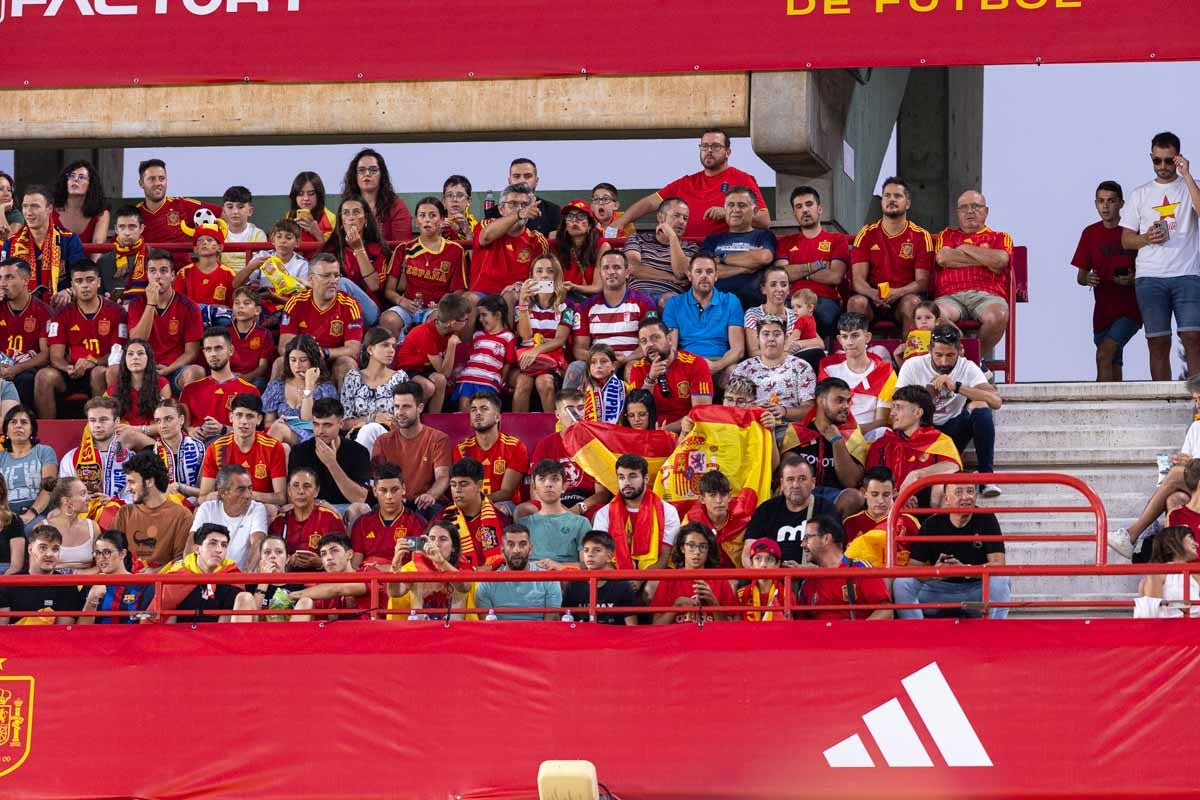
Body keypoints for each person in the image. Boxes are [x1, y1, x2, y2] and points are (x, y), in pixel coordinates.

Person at [1119, 132, 1200, 379]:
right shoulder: (1140, 194)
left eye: (1168, 161)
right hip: (1150, 277)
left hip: (1187, 274)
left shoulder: (1190, 186)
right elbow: (1125, 240)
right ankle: (1164, 401)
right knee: (1157, 342)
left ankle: (1198, 402)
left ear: (1178, 158)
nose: (1162, 167)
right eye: (1157, 161)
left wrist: (1186, 175)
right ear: (1151, 158)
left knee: (1193, 338)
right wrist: (1146, 238)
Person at [896, 324, 1003, 496]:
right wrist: (926, 395)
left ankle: (986, 478)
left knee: (980, 406)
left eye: (950, 355)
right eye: (938, 355)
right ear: (929, 350)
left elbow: (996, 401)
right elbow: (897, 406)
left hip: (952, 431)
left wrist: (957, 387)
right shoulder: (913, 365)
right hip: (921, 431)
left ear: (960, 351)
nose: (944, 361)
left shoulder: (966, 367)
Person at [620, 129, 769, 239]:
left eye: (716, 146)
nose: (709, 151)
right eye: (704, 146)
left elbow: (764, 220)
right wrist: (619, 223)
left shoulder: (743, 179)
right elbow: (650, 203)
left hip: (723, 254)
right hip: (684, 253)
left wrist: (728, 213)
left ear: (728, 152)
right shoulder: (686, 182)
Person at [892, 481, 1011, 619]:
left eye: (970, 491)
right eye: (958, 492)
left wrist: (966, 570)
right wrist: (935, 572)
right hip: (938, 596)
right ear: (947, 498)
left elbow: (999, 565)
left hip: (974, 602)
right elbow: (912, 569)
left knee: (1001, 579)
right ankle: (917, 635)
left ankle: (995, 636)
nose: (966, 497)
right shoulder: (932, 523)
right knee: (902, 583)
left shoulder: (986, 518)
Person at [34, 261, 127, 417]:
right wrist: (67, 368)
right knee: (44, 376)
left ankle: (100, 428)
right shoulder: (62, 313)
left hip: (100, 369)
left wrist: (94, 362)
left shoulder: (117, 312)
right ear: (72, 285)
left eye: (90, 280)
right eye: (79, 281)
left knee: (99, 373)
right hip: (71, 372)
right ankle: (47, 434)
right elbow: (55, 356)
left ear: (98, 282)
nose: (85, 285)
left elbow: (118, 353)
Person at [1071, 180, 1141, 382]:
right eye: (1101, 201)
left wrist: (1133, 279)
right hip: (1102, 311)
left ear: (1121, 204)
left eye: (1111, 201)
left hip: (1129, 309)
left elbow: (1149, 269)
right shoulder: (1090, 233)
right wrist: (1088, 278)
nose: (1105, 206)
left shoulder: (1132, 232)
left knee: (1104, 354)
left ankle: (1101, 408)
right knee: (1113, 362)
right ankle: (1119, 409)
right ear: (1095, 203)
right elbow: (1080, 277)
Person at [848, 177, 933, 339]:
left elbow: (922, 282)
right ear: (882, 202)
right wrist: (874, 294)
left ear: (907, 203)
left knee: (913, 304)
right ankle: (856, 360)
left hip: (903, 297)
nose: (891, 200)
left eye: (897, 196)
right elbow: (858, 280)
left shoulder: (921, 236)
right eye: (887, 196)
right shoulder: (866, 234)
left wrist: (897, 292)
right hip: (872, 298)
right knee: (856, 303)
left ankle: (911, 358)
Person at [933, 190, 1014, 360]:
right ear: (957, 213)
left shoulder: (1000, 237)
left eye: (976, 206)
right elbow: (943, 258)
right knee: (933, 314)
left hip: (987, 295)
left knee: (998, 316)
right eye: (964, 207)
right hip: (950, 296)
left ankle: (971, 361)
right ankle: (964, 354)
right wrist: (985, 259)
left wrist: (965, 248)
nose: (970, 211)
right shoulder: (947, 235)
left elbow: (1000, 261)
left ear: (986, 211)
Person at [567, 250, 658, 387]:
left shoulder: (644, 302)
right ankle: (567, 408)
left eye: (616, 267)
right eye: (606, 268)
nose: (611, 272)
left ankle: (637, 407)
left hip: (631, 358)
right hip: (598, 360)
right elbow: (579, 350)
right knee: (576, 368)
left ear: (627, 272)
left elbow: (650, 343)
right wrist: (603, 361)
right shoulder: (586, 307)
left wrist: (628, 358)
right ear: (600, 273)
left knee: (632, 367)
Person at [778, 377, 866, 516]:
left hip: (835, 497)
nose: (846, 406)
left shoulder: (852, 435)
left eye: (847, 401)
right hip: (801, 491)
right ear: (820, 400)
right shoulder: (798, 431)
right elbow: (786, 472)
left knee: (854, 497)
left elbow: (851, 481)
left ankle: (825, 528)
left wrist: (837, 441)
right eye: (839, 400)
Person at [380, 196, 467, 336]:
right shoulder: (404, 249)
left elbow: (459, 291)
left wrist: (442, 306)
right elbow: (389, 290)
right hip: (408, 307)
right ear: (416, 221)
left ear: (442, 219)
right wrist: (402, 301)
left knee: (438, 320)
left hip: (436, 309)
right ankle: (398, 354)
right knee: (388, 319)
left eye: (433, 215)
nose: (427, 219)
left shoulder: (455, 250)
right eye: (422, 215)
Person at [278, 253, 364, 385]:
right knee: (279, 363)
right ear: (311, 278)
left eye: (336, 275)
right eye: (326, 276)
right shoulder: (295, 302)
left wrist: (324, 353)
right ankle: (274, 405)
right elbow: (284, 347)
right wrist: (309, 356)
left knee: (347, 363)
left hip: (333, 360)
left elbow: (353, 350)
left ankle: (346, 406)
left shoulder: (349, 304)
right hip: (303, 360)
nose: (333, 280)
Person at [126, 249, 205, 394]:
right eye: (152, 271)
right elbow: (137, 341)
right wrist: (151, 304)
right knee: (113, 372)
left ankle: (185, 416)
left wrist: (168, 369)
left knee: (196, 371)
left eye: (163, 271)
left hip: (175, 368)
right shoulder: (136, 304)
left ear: (173, 276)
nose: (158, 276)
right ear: (147, 275)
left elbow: (191, 352)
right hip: (143, 368)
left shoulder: (190, 307)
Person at [774, 185, 849, 337]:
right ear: (794, 213)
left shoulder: (837, 239)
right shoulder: (785, 242)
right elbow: (783, 275)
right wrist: (815, 267)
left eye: (809, 204)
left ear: (819, 209)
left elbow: (835, 277)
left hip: (824, 300)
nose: (805, 210)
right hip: (791, 299)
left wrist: (799, 273)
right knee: (775, 320)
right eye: (799, 207)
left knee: (821, 316)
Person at [368, 381, 452, 514]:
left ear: (420, 408)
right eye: (396, 406)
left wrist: (430, 495)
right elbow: (379, 480)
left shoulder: (438, 439)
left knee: (431, 509)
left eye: (406, 406)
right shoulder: (383, 441)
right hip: (395, 502)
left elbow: (443, 477)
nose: (400, 412)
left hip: (425, 504)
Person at [866, 385, 962, 498]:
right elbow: (872, 481)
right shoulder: (883, 442)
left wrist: (917, 474)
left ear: (918, 413)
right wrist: (899, 497)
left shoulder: (939, 440)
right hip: (889, 503)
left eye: (898, 407)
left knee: (941, 486)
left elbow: (953, 466)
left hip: (927, 502)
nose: (892, 413)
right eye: (893, 407)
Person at [661, 252, 746, 380]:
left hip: (720, 363)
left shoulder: (730, 301)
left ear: (716, 276)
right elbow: (671, 347)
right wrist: (696, 366)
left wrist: (717, 365)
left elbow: (738, 349)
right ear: (689, 275)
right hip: (687, 364)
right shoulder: (674, 303)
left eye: (709, 272)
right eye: (698, 272)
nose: (704, 276)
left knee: (733, 372)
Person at [527, 389, 611, 517]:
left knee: (601, 512)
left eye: (581, 408)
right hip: (552, 499)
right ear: (557, 415)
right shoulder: (546, 444)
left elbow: (603, 493)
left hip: (585, 502)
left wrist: (579, 508)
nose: (576, 414)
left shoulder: (595, 444)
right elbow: (535, 487)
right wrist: (553, 508)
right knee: (523, 510)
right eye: (569, 409)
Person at [743, 454, 837, 566]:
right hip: (772, 579)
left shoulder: (826, 509)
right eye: (790, 479)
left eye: (802, 479)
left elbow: (835, 556)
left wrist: (805, 571)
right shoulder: (765, 510)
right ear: (782, 484)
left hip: (813, 580)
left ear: (813, 483)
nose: (796, 485)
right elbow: (748, 552)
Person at [729, 316, 815, 438]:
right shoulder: (743, 368)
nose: (771, 339)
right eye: (765, 334)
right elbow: (731, 406)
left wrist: (784, 411)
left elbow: (809, 409)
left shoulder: (801, 367)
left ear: (785, 338)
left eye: (776, 334)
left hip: (787, 429)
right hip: (750, 427)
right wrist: (753, 409)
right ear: (758, 339)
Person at [287, 397, 371, 520]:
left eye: (327, 425)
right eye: (316, 424)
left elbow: (359, 498)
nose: (320, 431)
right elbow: (292, 496)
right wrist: (321, 505)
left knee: (359, 508)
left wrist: (331, 463)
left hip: (345, 508)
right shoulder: (299, 451)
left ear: (341, 424)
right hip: (312, 506)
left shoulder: (359, 451)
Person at [197, 394, 287, 508]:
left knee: (271, 510)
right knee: (198, 511)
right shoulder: (217, 448)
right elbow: (203, 497)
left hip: (258, 507)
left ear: (259, 419)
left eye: (250, 416)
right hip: (226, 506)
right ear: (231, 417)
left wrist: (244, 494)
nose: (244, 421)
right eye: (239, 415)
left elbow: (281, 497)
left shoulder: (273, 447)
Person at [797, 515, 893, 620]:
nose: (802, 544)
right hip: (820, 636)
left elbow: (886, 611)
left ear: (826, 538)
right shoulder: (808, 582)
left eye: (807, 538)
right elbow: (800, 623)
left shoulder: (860, 568)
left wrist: (854, 632)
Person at [593, 454, 680, 570]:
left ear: (646, 479)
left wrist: (639, 579)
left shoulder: (668, 511)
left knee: (651, 587)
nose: (626, 482)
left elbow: (664, 557)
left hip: (654, 574)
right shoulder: (603, 514)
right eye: (621, 477)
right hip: (616, 576)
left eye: (632, 476)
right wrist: (624, 582)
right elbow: (602, 556)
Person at [512, 254, 575, 413]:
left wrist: (536, 350)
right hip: (526, 359)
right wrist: (522, 301)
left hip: (552, 359)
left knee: (545, 382)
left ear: (557, 276)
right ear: (532, 276)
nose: (544, 275)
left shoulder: (566, 305)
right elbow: (525, 336)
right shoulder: (520, 303)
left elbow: (560, 340)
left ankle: (554, 429)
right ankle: (516, 433)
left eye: (550, 271)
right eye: (539, 271)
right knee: (523, 383)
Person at [627, 317, 713, 431]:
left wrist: (665, 430)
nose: (649, 344)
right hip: (650, 434)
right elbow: (637, 414)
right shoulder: (638, 369)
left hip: (687, 432)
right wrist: (650, 380)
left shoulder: (695, 363)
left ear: (669, 339)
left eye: (655, 338)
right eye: (644, 341)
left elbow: (701, 414)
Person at [818, 312, 897, 436]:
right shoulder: (828, 368)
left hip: (869, 433)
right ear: (839, 339)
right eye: (845, 336)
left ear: (867, 337)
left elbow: (881, 421)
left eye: (855, 336)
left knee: (884, 432)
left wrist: (851, 434)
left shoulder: (884, 371)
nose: (849, 342)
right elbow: (824, 413)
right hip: (834, 433)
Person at [114, 450, 196, 569]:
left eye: (132, 482)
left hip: (163, 584)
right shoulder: (124, 513)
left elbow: (182, 561)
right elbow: (111, 552)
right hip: (126, 583)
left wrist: (156, 573)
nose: (127, 489)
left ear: (150, 482)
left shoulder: (181, 515)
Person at [178, 326, 261, 443]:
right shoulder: (190, 390)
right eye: (208, 349)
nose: (213, 354)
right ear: (204, 353)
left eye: (218, 348)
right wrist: (190, 430)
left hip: (230, 447)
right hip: (194, 448)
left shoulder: (250, 391)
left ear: (231, 350)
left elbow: (252, 432)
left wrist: (223, 429)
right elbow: (181, 424)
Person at [134, 158, 222, 269]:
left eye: (162, 179)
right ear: (141, 183)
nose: (158, 183)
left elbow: (223, 213)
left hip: (183, 276)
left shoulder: (181, 205)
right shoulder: (134, 214)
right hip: (150, 277)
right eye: (151, 179)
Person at [699, 186, 777, 307]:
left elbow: (764, 257)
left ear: (755, 211)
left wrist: (721, 259)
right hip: (715, 304)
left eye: (742, 205)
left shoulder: (764, 235)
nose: (735, 210)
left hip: (752, 304)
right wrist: (744, 267)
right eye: (730, 205)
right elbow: (705, 270)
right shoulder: (713, 239)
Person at [392, 291, 469, 412]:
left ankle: (433, 420)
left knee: (440, 381)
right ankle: (414, 417)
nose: (467, 322)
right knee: (428, 387)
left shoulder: (448, 331)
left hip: (425, 368)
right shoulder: (426, 334)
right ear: (453, 322)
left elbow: (443, 376)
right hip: (408, 370)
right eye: (465, 319)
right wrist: (451, 346)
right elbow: (444, 372)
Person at [4, 185, 83, 303]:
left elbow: (82, 277)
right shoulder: (11, 243)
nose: (28, 212)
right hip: (21, 311)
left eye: (35, 206)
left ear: (49, 209)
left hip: (60, 309)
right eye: (25, 206)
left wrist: (69, 291)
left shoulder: (69, 239)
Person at [470, 182, 550, 298]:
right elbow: (485, 238)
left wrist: (522, 286)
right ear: (501, 209)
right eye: (513, 204)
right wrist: (519, 214)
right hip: (482, 295)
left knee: (510, 295)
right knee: (469, 299)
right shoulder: (486, 224)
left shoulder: (537, 239)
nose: (519, 208)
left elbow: (546, 284)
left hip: (517, 296)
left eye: (525, 205)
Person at [649, 522, 737, 624]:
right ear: (682, 548)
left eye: (703, 546)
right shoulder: (669, 579)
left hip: (711, 637)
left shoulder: (720, 579)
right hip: (677, 638)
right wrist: (676, 607)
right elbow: (656, 626)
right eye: (691, 545)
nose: (697, 551)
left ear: (709, 549)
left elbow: (730, 629)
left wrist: (713, 603)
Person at [454, 391, 530, 507]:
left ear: (497, 417)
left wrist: (478, 502)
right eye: (473, 410)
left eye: (484, 409)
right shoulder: (462, 449)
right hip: (469, 505)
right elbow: (460, 487)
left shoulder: (515, 446)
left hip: (502, 504)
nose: (477, 413)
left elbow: (506, 492)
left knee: (500, 508)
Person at [386, 519, 474, 619]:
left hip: (455, 632)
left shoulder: (464, 566)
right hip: (421, 631)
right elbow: (395, 593)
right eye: (431, 538)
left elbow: (464, 587)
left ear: (453, 547)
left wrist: (441, 562)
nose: (436, 544)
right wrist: (395, 563)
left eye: (443, 539)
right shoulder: (414, 566)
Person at [473, 524, 563, 620]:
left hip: (538, 634)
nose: (516, 550)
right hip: (500, 634)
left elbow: (550, 625)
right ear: (502, 550)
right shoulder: (487, 585)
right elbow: (487, 628)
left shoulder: (549, 581)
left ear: (531, 549)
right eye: (511, 544)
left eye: (523, 544)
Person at [262, 334, 339, 446]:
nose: (297, 365)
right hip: (282, 438)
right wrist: (278, 422)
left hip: (315, 440)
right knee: (283, 446)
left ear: (313, 360)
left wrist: (309, 386)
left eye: (303, 360)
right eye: (293, 360)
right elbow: (268, 423)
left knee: (279, 428)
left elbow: (312, 422)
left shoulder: (325, 389)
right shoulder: (277, 386)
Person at [349, 462, 428, 567]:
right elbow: (355, 565)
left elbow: (418, 565)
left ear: (403, 489)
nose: (389, 496)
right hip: (367, 578)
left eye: (394, 490)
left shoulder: (416, 523)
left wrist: (386, 569)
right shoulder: (362, 523)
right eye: (383, 490)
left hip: (400, 579)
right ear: (375, 491)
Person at [158, 523, 241, 624]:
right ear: (197, 549)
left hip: (217, 636)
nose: (219, 550)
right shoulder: (178, 574)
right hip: (180, 635)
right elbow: (159, 617)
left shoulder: (231, 573)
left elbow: (228, 616)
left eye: (224, 545)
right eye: (212, 543)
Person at [286, 533, 381, 620]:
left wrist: (292, 595)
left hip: (371, 635)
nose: (329, 558)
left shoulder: (368, 571)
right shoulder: (321, 588)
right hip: (333, 637)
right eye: (323, 554)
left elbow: (339, 589)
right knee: (305, 602)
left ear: (349, 554)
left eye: (334, 551)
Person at [191, 464, 268, 571]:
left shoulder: (257, 509)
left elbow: (257, 543)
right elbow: (191, 545)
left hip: (240, 578)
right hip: (207, 576)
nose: (248, 495)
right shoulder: (207, 508)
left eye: (250, 488)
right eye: (241, 489)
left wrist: (242, 579)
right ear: (222, 492)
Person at [322, 195, 389, 319]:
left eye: (356, 212)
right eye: (346, 213)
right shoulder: (331, 250)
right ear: (341, 221)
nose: (351, 217)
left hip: (369, 311)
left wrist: (359, 249)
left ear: (365, 220)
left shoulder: (377, 250)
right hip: (335, 308)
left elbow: (374, 286)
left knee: (342, 283)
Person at [58, 397, 134, 505]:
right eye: (92, 420)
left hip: (119, 516)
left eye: (103, 420)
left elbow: (135, 497)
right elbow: (64, 495)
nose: (97, 425)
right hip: (83, 518)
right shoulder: (71, 458)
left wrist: (113, 503)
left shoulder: (130, 458)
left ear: (116, 421)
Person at [0, 526, 83, 624]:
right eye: (43, 548)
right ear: (30, 549)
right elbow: (2, 630)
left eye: (55, 549)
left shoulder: (68, 586)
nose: (49, 554)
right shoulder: (9, 584)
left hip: (51, 639)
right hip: (15, 639)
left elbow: (63, 631)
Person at [841, 466, 921, 568]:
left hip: (896, 580)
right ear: (863, 493)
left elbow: (922, 558)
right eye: (874, 494)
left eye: (886, 495)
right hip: (861, 579)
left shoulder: (908, 521)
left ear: (894, 492)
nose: (880, 501)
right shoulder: (850, 523)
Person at [0, 257, 53, 409]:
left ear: (25, 280)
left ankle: (21, 424)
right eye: (0, 278)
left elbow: (45, 354)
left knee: (26, 379)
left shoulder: (43, 311)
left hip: (24, 369)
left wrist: (17, 368)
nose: (3, 283)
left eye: (9, 277)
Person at [625, 197, 696, 306]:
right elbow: (633, 267)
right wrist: (671, 277)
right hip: (635, 295)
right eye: (676, 216)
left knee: (669, 301)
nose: (682, 221)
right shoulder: (638, 239)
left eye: (685, 218)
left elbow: (681, 273)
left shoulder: (690, 247)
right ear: (660, 217)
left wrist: (672, 237)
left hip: (668, 298)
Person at [453, 294, 517, 411]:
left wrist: (501, 382)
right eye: (479, 315)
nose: (480, 319)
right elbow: (469, 358)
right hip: (468, 378)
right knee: (464, 410)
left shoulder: (508, 337)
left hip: (489, 381)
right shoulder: (477, 335)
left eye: (484, 315)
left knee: (485, 411)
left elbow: (508, 362)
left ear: (497, 315)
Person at [340, 327, 408, 437]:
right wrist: (372, 418)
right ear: (370, 349)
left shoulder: (400, 378)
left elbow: (406, 417)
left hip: (390, 437)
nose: (391, 350)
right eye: (385, 345)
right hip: (358, 436)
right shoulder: (353, 378)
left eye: (393, 346)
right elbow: (343, 423)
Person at [561, 531, 639, 625]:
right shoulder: (573, 585)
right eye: (586, 550)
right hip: (581, 637)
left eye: (597, 550)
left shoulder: (623, 587)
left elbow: (631, 626)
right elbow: (565, 620)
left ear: (609, 556)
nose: (590, 554)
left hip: (614, 638)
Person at [525, 459, 592, 569]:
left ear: (564, 486)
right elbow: (513, 564)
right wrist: (532, 566)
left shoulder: (581, 523)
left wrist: (560, 566)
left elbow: (587, 566)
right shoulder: (523, 524)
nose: (548, 484)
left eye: (554, 479)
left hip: (567, 581)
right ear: (534, 487)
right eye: (542, 479)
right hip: (531, 582)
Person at [269, 466, 347, 558]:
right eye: (295, 486)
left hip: (321, 571)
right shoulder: (279, 521)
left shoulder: (330, 518)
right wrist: (287, 562)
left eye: (306, 486)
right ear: (289, 491)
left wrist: (320, 563)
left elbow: (342, 557)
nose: (301, 491)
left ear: (316, 491)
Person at [684, 469, 756, 568]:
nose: (719, 500)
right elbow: (680, 559)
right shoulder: (691, 521)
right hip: (700, 577)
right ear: (702, 499)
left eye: (723, 495)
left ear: (729, 497)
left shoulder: (743, 521)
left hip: (736, 579)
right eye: (712, 495)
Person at [443, 457, 507, 570]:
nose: (457, 490)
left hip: (492, 582)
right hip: (454, 582)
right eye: (453, 485)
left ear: (479, 485)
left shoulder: (500, 519)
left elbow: (508, 561)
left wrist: (476, 571)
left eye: (463, 484)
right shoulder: (443, 519)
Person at [78, 530, 153, 624]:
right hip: (98, 637)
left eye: (107, 552)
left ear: (122, 554)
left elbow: (149, 620)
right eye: (97, 553)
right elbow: (81, 631)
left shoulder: (143, 585)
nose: (101, 558)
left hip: (132, 637)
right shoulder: (90, 585)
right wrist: (92, 599)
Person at [231, 534, 309, 622]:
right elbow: (253, 618)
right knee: (243, 597)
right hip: (255, 632)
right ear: (261, 558)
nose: (273, 556)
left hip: (286, 633)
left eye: (279, 552)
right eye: (267, 552)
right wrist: (264, 581)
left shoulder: (297, 586)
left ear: (287, 559)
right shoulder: (250, 585)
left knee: (307, 601)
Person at [342, 148, 413, 243]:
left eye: (373, 170)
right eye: (361, 170)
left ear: (382, 174)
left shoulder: (396, 206)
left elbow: (402, 245)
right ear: (355, 175)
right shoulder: (347, 204)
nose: (367, 174)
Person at [0, 405, 57, 525]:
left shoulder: (44, 451)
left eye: (24, 422)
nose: (18, 425)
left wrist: (31, 513)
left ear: (32, 429)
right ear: (6, 430)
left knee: (39, 531)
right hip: (5, 513)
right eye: (13, 422)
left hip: (37, 512)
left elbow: (49, 489)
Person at [174, 223, 237, 325]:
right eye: (200, 241)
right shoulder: (184, 272)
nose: (204, 243)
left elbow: (232, 305)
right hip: (190, 320)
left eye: (209, 240)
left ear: (220, 247)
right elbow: (177, 302)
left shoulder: (228, 273)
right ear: (195, 248)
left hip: (218, 323)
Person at [481, 158, 562, 238]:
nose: (522, 180)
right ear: (509, 181)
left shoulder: (553, 211)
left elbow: (555, 246)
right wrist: (519, 215)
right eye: (516, 176)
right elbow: (484, 239)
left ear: (536, 181)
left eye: (528, 176)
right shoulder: (493, 212)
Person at [1135, 526, 1200, 618]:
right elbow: (1153, 609)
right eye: (1191, 537)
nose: (1197, 544)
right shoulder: (1157, 574)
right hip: (1170, 629)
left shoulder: (1196, 576)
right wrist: (1181, 605)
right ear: (1174, 540)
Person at [105, 339, 171, 427]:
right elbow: (109, 420)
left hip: (153, 434)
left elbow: (166, 423)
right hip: (124, 435)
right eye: (130, 354)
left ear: (149, 358)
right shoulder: (114, 387)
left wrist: (138, 431)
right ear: (124, 360)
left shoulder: (162, 384)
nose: (135, 357)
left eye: (140, 353)